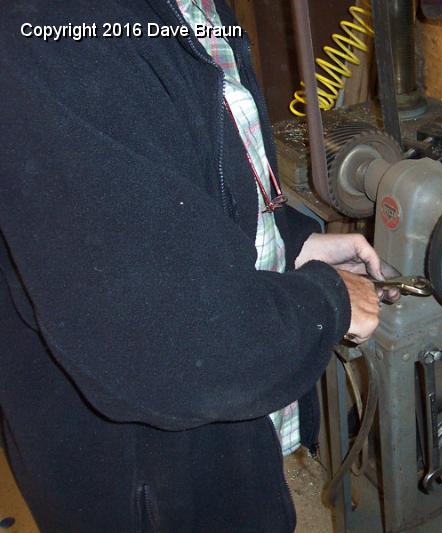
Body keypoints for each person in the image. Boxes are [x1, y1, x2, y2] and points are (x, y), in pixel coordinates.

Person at [0, 1, 390, 531]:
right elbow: (172, 339)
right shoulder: (51, 29)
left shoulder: (188, 6)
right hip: (148, 482)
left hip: (216, 449)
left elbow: (184, 170)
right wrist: (326, 300)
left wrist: (288, 243)